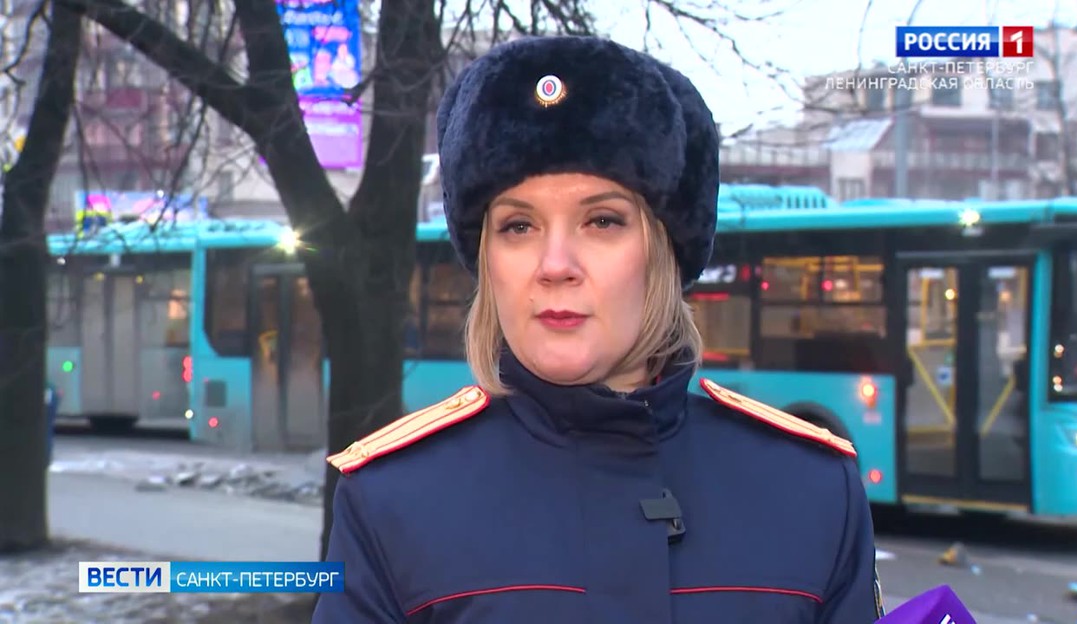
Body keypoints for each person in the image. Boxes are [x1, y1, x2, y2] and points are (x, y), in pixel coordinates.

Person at [314, 35, 884, 623]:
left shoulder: (813, 490)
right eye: (518, 226)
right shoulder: (389, 500)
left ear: (663, 250)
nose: (555, 265)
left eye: (602, 221)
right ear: (486, 260)